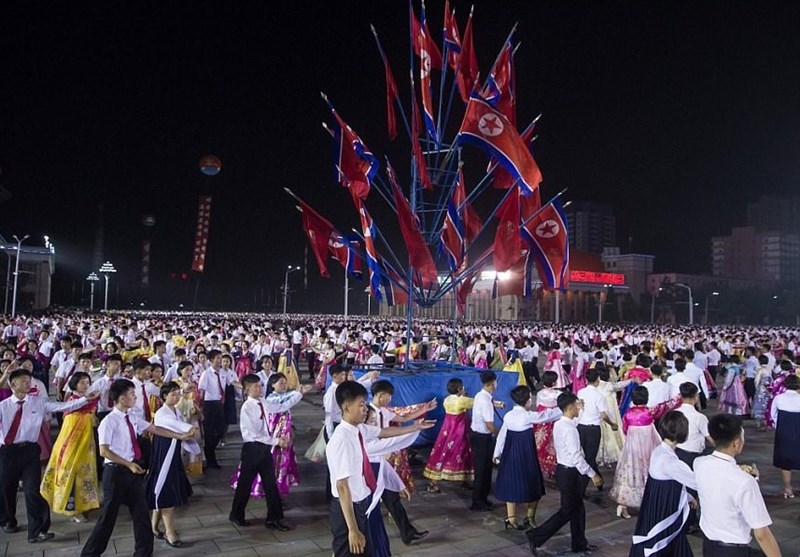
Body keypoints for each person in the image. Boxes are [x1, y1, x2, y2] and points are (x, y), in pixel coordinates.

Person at [80, 379, 193, 557]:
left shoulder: (132, 417)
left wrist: (180, 435)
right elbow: (104, 451)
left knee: (141, 515)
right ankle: (90, 553)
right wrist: (128, 464)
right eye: (132, 394)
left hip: (132, 472)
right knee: (108, 518)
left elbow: (155, 429)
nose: (135, 397)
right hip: (115, 473)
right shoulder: (109, 421)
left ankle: (143, 552)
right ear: (122, 399)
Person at [325, 380, 434, 557]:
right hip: (347, 509)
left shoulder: (359, 429)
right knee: (347, 551)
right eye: (361, 405)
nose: (365, 409)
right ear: (346, 407)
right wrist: (352, 529)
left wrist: (414, 427)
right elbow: (342, 486)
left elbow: (384, 432)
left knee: (365, 550)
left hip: (361, 503)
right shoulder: (341, 440)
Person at [0, 368, 99, 543]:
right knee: (7, 489)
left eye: (29, 380)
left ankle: (37, 531)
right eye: (23, 381)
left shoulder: (37, 402)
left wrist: (85, 399)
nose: (28, 383)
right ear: (13, 385)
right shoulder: (3, 406)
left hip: (30, 450)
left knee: (33, 490)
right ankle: (8, 521)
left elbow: (63, 406)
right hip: (8, 452)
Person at [228, 374, 311, 530]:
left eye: (260, 385)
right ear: (246, 390)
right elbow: (254, 434)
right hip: (252, 449)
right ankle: (236, 514)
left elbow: (282, 407)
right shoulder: (247, 407)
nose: (259, 388)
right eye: (255, 386)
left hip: (265, 449)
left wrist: (299, 394)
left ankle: (274, 519)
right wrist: (276, 441)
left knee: (271, 484)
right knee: (245, 484)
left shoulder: (264, 402)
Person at [526, 392, 603, 555]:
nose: (578, 408)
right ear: (570, 407)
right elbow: (576, 457)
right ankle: (536, 536)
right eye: (577, 406)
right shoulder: (569, 429)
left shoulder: (561, 424)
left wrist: (581, 409)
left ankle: (580, 543)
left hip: (565, 471)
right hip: (569, 473)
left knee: (578, 509)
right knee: (567, 510)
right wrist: (592, 474)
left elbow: (573, 421)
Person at [694, 414, 780, 557]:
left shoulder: (699, 463)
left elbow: (720, 478)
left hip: (709, 546)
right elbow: (761, 534)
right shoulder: (744, 482)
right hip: (734, 551)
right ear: (736, 443)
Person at [368, 379, 433, 545]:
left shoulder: (384, 411)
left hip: (382, 459)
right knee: (370, 502)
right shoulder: (369, 413)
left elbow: (404, 418)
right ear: (380, 395)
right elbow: (382, 433)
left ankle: (408, 533)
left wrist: (423, 411)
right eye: (388, 396)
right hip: (370, 461)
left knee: (392, 498)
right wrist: (412, 429)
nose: (390, 399)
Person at [629, 411, 697, 557]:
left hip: (656, 507)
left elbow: (671, 482)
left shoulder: (659, 451)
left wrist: (688, 496)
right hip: (665, 511)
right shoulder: (670, 461)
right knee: (664, 543)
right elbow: (696, 481)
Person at [493, 385, 561, 530]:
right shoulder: (528, 416)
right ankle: (530, 517)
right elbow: (547, 415)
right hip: (526, 454)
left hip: (511, 455)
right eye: (530, 397)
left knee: (511, 484)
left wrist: (496, 453)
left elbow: (502, 435)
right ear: (526, 400)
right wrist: (564, 407)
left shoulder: (509, 415)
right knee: (534, 484)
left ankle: (511, 518)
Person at [40, 371, 100, 523]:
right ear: (74, 384)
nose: (85, 385)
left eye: (87, 382)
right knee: (71, 472)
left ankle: (85, 504)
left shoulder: (89, 398)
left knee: (85, 472)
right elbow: (69, 429)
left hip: (87, 442)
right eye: (82, 383)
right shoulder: (73, 401)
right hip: (73, 444)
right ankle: (72, 509)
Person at [609, 386, 678, 519]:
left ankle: (623, 505)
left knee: (629, 472)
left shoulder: (628, 413)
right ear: (646, 398)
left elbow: (625, 429)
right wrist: (679, 397)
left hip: (632, 447)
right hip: (647, 446)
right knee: (648, 469)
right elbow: (665, 406)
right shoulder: (649, 412)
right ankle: (649, 502)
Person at [146, 382, 197, 548]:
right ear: (164, 396)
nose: (176, 397)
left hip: (173, 452)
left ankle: (153, 526)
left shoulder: (175, 410)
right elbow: (179, 427)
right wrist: (189, 430)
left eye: (177, 394)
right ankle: (170, 533)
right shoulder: (162, 413)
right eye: (172, 394)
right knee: (166, 489)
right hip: (164, 452)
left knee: (163, 489)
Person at [423, 377, 474, 492]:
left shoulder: (447, 400)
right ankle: (466, 479)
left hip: (447, 430)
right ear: (459, 389)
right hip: (459, 432)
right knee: (464, 453)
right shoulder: (462, 401)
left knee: (441, 453)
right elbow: (477, 403)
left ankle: (433, 482)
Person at [576, 368, 617, 496]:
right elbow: (604, 415)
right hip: (593, 429)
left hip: (580, 427)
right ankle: (581, 489)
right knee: (590, 458)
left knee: (585, 456)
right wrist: (612, 424)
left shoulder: (581, 392)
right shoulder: (599, 396)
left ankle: (599, 481)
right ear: (598, 379)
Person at [198, 349, 240, 469]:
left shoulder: (223, 372)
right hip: (209, 405)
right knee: (210, 433)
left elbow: (233, 382)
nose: (220, 360)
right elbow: (201, 392)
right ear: (211, 360)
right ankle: (210, 459)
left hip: (220, 404)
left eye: (220, 358)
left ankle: (209, 449)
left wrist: (246, 387)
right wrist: (200, 408)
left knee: (221, 430)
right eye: (217, 358)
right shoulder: (206, 374)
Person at [470, 370, 505, 511]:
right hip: (482, 438)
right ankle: (478, 502)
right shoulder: (485, 401)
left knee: (486, 469)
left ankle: (483, 498)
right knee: (482, 471)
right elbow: (490, 425)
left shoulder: (481, 395)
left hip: (478, 436)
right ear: (492, 383)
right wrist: (500, 435)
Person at [771, 373, 800, 499]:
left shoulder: (778, 398)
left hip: (783, 431)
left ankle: (788, 488)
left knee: (785, 460)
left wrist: (779, 426)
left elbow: (772, 415)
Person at [534, 371, 561, 479]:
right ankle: (553, 468)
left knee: (541, 444)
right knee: (554, 445)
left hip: (543, 423)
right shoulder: (558, 394)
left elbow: (538, 408)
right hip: (555, 421)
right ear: (554, 383)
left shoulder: (540, 394)